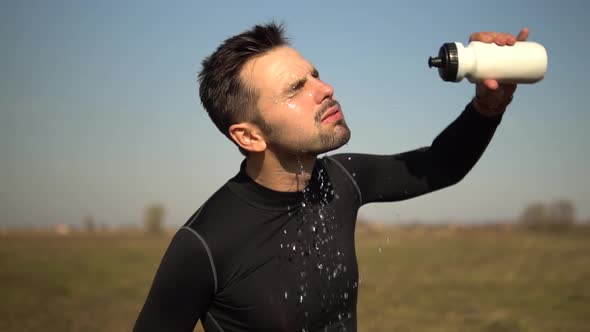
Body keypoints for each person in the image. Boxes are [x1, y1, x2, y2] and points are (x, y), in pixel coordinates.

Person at [133, 22, 529, 331]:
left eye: (315, 75)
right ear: (249, 136)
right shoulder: (203, 245)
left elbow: (440, 165)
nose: (325, 89)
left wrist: (487, 106)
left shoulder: (342, 179)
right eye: (295, 89)